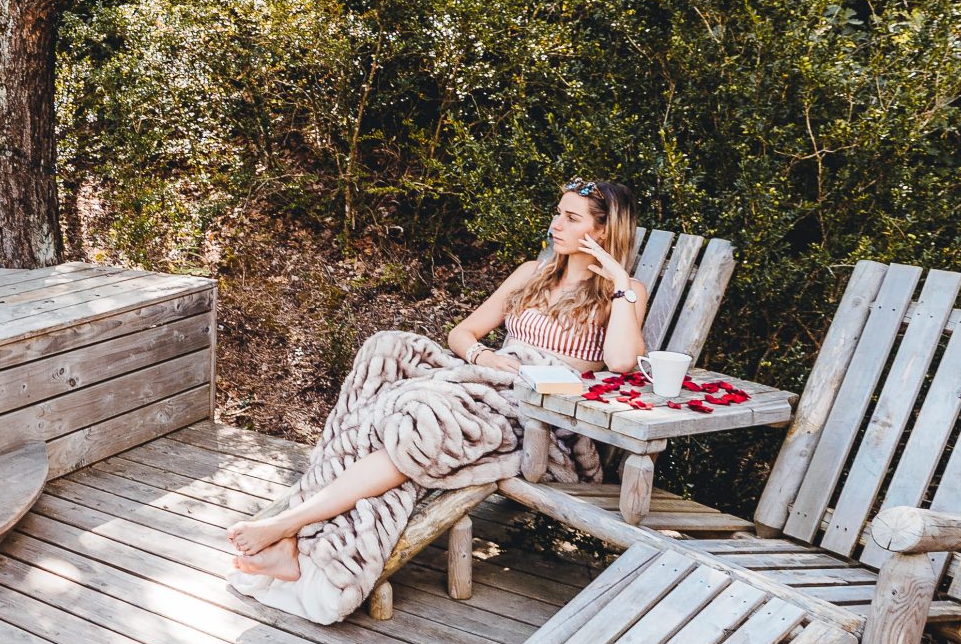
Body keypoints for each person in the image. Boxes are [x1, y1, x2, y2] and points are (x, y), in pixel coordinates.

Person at [226, 180, 647, 600]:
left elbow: (621, 362)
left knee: (420, 419)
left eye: (571, 218)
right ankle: (298, 531)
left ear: (603, 230)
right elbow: (462, 334)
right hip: (485, 383)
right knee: (386, 349)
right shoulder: (531, 274)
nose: (556, 224)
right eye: (558, 213)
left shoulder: (623, 294)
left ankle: (290, 527)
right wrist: (484, 357)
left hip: (536, 417)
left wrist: (618, 280)